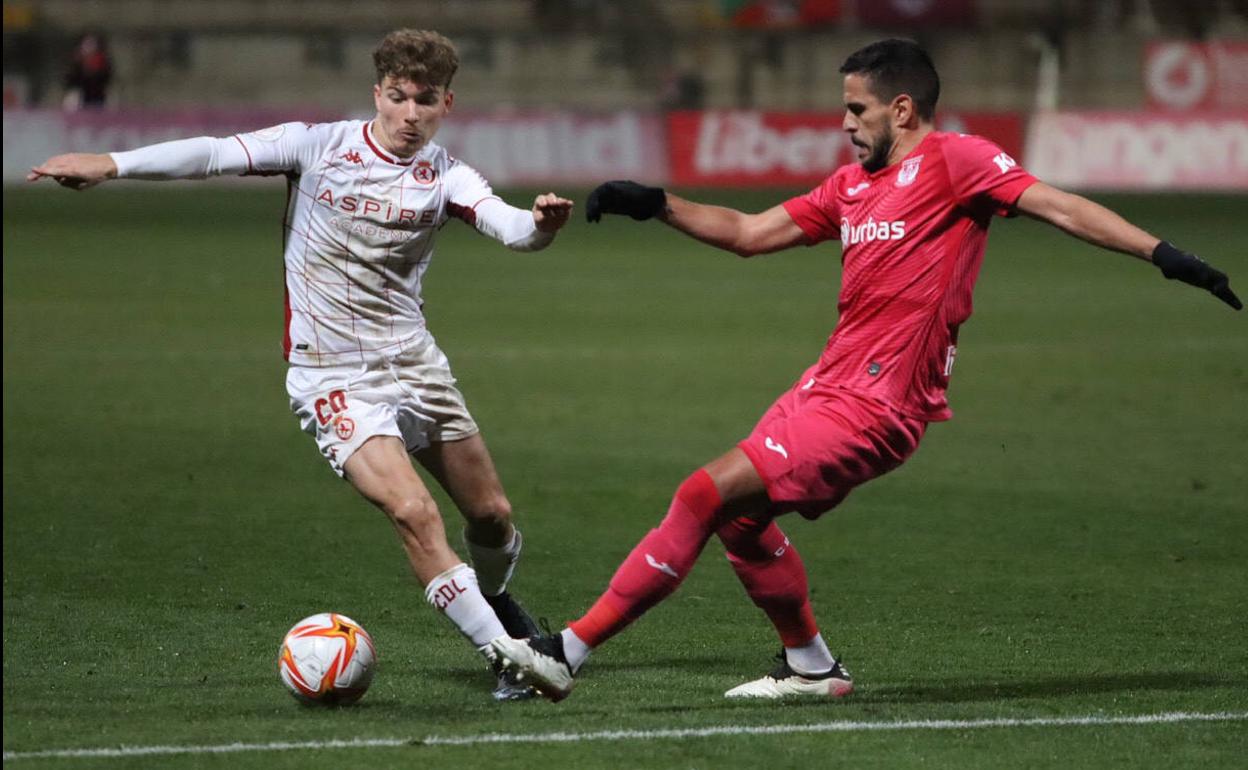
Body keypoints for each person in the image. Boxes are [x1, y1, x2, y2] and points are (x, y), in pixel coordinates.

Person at [492, 38, 1240, 702]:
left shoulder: (960, 162)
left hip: (881, 407)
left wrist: (1163, 255)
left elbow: (1061, 207)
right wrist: (657, 203)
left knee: (704, 490)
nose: (845, 124)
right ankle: (813, 667)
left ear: (903, 108)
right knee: (744, 525)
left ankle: (567, 651)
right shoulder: (851, 188)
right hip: (824, 387)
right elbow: (754, 232)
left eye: (857, 109)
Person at [28, 29, 575, 701]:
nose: (409, 114)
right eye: (398, 98)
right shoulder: (318, 147)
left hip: (414, 363)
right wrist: (111, 163)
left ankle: (499, 605)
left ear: (445, 104)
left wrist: (542, 224)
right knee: (413, 512)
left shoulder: (446, 176)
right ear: (378, 94)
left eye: (424, 101)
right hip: (333, 374)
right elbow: (213, 154)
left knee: (490, 515)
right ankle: (506, 656)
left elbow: (510, 228)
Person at [63, 33, 113, 110]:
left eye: (91, 44)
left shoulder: (102, 60)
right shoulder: (77, 60)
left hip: (97, 98)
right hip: (80, 97)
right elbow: (70, 79)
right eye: (87, 44)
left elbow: (106, 79)